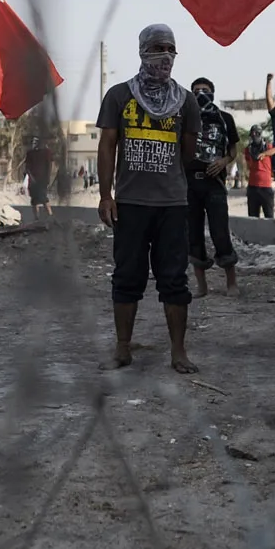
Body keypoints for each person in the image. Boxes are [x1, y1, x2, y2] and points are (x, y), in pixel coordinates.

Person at [96, 25, 201, 373]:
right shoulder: (118, 96)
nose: (165, 55)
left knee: (174, 280)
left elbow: (187, 155)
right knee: (127, 276)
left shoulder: (186, 101)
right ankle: (123, 349)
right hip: (130, 204)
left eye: (171, 48)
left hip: (172, 205)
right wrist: (105, 195)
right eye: (158, 47)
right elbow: (107, 145)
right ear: (143, 50)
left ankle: (179, 352)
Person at [185, 76, 240, 297]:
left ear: (213, 92)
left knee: (220, 232)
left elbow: (233, 151)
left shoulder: (225, 118)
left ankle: (231, 283)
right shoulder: (185, 118)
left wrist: (223, 162)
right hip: (189, 184)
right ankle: (201, 286)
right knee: (193, 234)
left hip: (215, 184)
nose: (200, 94)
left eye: (205, 90)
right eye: (196, 90)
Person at [244, 127, 275, 218]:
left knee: (269, 216)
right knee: (252, 217)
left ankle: (269, 233)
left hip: (266, 187)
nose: (254, 136)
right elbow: (247, 164)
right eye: (252, 134)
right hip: (252, 186)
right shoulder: (248, 149)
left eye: (256, 134)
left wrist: (265, 153)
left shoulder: (268, 147)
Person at [24, 137, 53, 219]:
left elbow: (51, 165)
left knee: (43, 198)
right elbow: (27, 167)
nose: (34, 144)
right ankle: (36, 218)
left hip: (42, 179)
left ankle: (50, 216)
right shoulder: (30, 153)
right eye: (33, 142)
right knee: (34, 200)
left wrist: (49, 178)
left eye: (36, 142)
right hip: (33, 180)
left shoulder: (46, 152)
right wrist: (30, 177)